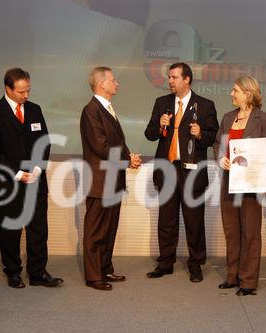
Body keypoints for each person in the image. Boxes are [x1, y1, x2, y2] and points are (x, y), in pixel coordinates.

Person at [0, 68, 63, 288]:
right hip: (9, 182)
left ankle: (38, 272)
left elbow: (44, 142)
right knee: (10, 230)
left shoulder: (35, 110)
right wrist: (18, 174)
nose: (26, 95)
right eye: (21, 92)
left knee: (38, 229)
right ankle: (13, 271)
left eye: (28, 90)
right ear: (8, 89)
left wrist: (37, 169)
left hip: (36, 180)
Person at [144, 62, 219, 282]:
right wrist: (159, 125)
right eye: (169, 77)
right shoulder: (162, 103)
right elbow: (149, 134)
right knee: (166, 221)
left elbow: (212, 137)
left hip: (192, 172)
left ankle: (195, 264)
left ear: (187, 79)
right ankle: (165, 263)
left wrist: (199, 134)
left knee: (194, 221)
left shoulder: (205, 105)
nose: (170, 81)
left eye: (175, 77)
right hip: (167, 170)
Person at [80, 66, 141, 291]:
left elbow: (117, 141)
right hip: (99, 181)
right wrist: (126, 160)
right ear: (102, 83)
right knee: (96, 230)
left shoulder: (107, 108)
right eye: (113, 80)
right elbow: (100, 145)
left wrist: (129, 156)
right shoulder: (91, 110)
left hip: (113, 180)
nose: (117, 84)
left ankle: (105, 268)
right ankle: (94, 276)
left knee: (109, 228)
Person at [213, 75, 266, 296]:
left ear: (248, 94)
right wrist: (221, 158)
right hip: (228, 183)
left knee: (250, 233)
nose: (231, 94)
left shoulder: (264, 119)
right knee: (232, 232)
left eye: (235, 90)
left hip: (251, 185)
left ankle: (248, 281)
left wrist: (264, 179)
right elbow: (217, 145)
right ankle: (233, 276)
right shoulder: (228, 117)